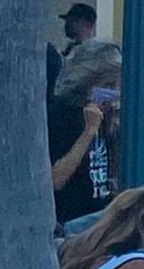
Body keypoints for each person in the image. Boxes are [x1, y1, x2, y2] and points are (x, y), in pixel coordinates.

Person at [49, 42, 121, 226]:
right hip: (72, 221)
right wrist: (88, 132)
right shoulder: (62, 114)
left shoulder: (105, 117)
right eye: (108, 85)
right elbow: (55, 180)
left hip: (100, 217)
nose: (112, 93)